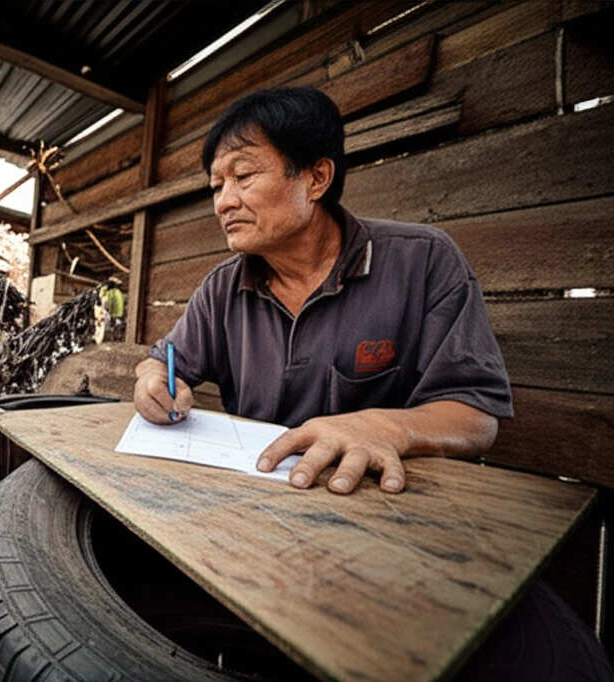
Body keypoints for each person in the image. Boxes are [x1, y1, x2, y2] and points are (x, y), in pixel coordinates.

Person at [132, 87, 611, 680]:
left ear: (316, 177)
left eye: (243, 176)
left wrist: (384, 426)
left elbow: (476, 414)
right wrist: (154, 379)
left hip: (393, 535)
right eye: (215, 186)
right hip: (257, 527)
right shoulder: (222, 288)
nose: (224, 201)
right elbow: (164, 361)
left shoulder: (422, 261)